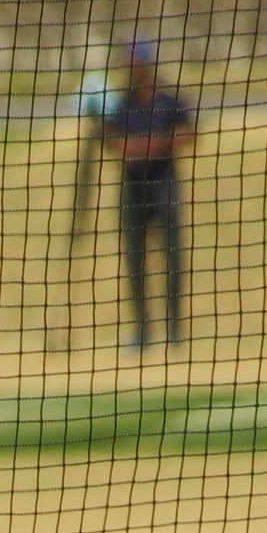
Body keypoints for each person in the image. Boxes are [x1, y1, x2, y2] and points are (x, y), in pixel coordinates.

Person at [97, 35, 193, 351]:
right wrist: (128, 148)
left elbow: (187, 133)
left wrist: (158, 144)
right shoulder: (120, 104)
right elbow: (109, 138)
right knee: (135, 259)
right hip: (133, 186)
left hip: (164, 182)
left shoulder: (168, 100)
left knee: (173, 256)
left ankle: (175, 329)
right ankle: (142, 330)